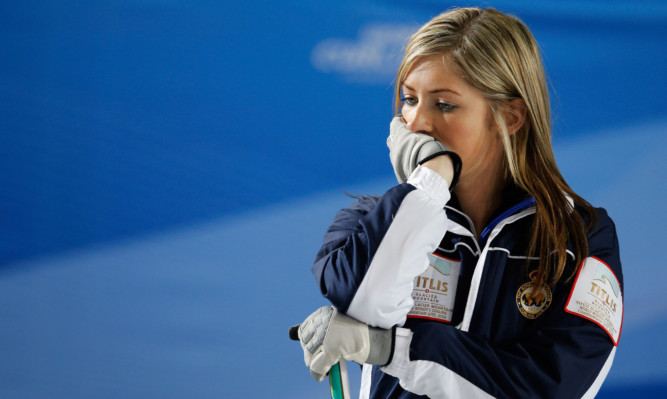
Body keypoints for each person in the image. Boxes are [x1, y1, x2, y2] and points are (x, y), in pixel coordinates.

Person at [292, 7, 623, 398]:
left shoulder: (580, 236)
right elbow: (367, 301)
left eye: (444, 104)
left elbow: (552, 387)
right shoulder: (367, 220)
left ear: (510, 116)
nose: (415, 123)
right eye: (409, 100)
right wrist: (431, 181)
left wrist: (390, 349)